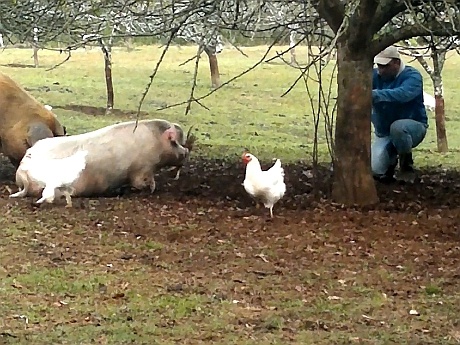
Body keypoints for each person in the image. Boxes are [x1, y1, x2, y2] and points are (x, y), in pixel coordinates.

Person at [371, 45, 429, 183]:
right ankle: (389, 165)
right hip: (385, 132)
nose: (381, 70)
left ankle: (406, 168)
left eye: (385, 66)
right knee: (376, 169)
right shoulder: (373, 75)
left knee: (398, 127)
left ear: (396, 63)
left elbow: (403, 94)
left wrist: (374, 95)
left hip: (413, 127)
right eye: (379, 65)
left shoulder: (412, 76)